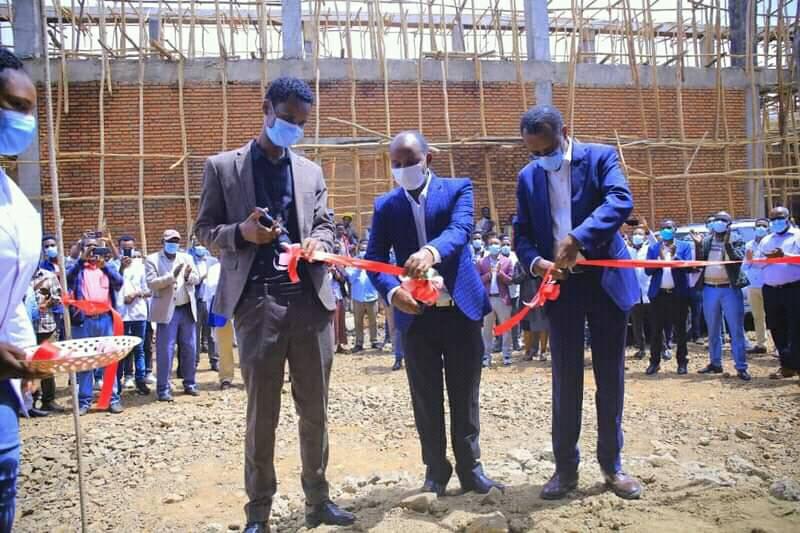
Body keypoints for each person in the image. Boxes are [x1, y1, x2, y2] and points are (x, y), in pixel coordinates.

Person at [194, 76, 354, 531]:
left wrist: (319, 242)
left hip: (310, 303)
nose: (294, 129)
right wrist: (241, 234)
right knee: (262, 414)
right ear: (266, 109)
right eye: (287, 119)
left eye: (302, 123)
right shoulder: (223, 168)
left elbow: (325, 223)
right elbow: (204, 230)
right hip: (258, 304)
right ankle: (258, 513)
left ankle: (318, 500)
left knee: (315, 410)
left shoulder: (310, 172)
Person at [515, 105, 641, 500]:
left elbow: (620, 200)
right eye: (534, 152)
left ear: (565, 132)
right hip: (562, 287)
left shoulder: (600, 158)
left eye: (548, 149)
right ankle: (565, 470)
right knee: (565, 379)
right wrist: (537, 263)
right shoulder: (528, 176)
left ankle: (612, 466)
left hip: (605, 283)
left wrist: (578, 237)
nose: (542, 157)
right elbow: (522, 233)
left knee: (610, 377)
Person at [366, 130, 502, 496]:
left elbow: (460, 230)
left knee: (464, 393)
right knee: (425, 397)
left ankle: (471, 469)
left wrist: (430, 252)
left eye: (410, 161)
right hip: (416, 315)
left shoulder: (458, 189)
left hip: (460, 311)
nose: (403, 169)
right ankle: (436, 472)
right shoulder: (386, 205)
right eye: (396, 164)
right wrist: (392, 293)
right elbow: (374, 259)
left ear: (428, 159)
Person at [0, 47, 56, 529]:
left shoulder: (15, 201)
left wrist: (26, 354)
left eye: (30, 109)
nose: (26, 121)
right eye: (15, 106)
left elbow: (11, 296)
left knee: (4, 471)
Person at [67, 236, 124, 414]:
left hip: (105, 319)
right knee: (85, 361)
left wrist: (104, 266)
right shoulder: (77, 269)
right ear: (83, 250)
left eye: (95, 247)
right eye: (88, 247)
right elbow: (66, 280)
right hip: (83, 321)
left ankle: (111, 399)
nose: (92, 251)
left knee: (109, 360)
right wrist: (81, 261)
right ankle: (84, 401)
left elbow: (119, 283)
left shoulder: (107, 267)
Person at [694, 211, 751, 380]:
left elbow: (738, 259)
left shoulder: (737, 240)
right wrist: (698, 245)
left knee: (736, 330)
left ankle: (741, 367)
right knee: (713, 329)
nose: (718, 223)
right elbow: (699, 263)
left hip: (729, 289)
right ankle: (715, 363)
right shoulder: (706, 241)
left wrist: (727, 243)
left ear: (728, 224)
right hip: (709, 288)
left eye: (722, 220)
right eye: (716, 220)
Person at [146, 229, 200, 401]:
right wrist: (172, 277)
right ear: (163, 242)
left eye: (176, 241)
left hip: (186, 309)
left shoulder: (187, 258)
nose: (173, 244)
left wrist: (188, 276)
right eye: (170, 241)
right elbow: (151, 284)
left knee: (190, 348)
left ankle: (190, 383)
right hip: (167, 311)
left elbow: (197, 278)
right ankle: (163, 388)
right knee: (166, 350)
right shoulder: (152, 259)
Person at [644, 220, 692, 375]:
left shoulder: (684, 246)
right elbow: (647, 271)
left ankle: (682, 362)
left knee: (680, 330)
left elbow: (689, 267)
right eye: (663, 228)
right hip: (658, 295)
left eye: (669, 228)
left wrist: (674, 256)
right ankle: (654, 362)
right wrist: (659, 260)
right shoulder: (653, 248)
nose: (666, 230)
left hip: (678, 295)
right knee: (656, 330)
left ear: (675, 229)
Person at [759, 207, 800, 381]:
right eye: (773, 219)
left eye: (780, 218)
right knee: (776, 327)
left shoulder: (798, 236)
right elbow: (755, 263)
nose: (776, 221)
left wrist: (785, 256)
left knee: (796, 328)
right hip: (771, 290)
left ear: (788, 218)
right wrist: (767, 259)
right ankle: (787, 365)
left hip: (794, 289)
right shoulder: (766, 240)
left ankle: (797, 365)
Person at [117, 236, 151, 395]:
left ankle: (140, 380)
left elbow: (149, 290)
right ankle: (118, 382)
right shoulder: (113, 265)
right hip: (120, 314)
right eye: (124, 248)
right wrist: (121, 267)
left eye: (130, 248)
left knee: (139, 348)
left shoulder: (141, 266)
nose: (127, 251)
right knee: (121, 350)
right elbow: (113, 284)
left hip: (138, 313)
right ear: (119, 248)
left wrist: (136, 294)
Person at [31, 266, 65, 413]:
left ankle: (48, 400)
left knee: (47, 363)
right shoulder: (19, 274)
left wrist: (46, 304)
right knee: (27, 364)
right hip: (26, 328)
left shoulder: (49, 276)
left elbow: (58, 297)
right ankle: (30, 401)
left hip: (47, 327)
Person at [477, 236, 514, 366]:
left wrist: (500, 273)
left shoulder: (507, 261)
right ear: (488, 246)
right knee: (486, 330)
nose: (495, 246)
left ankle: (507, 355)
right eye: (492, 244)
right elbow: (477, 281)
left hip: (502, 299)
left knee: (506, 328)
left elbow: (510, 280)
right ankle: (486, 357)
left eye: (497, 244)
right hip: (487, 299)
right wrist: (488, 275)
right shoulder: (481, 262)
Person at [203, 260, 236, 389]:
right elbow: (209, 295)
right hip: (222, 309)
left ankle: (251, 376)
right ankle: (226, 377)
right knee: (224, 345)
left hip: (244, 307)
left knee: (249, 344)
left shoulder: (246, 264)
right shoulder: (214, 270)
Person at [347, 241, 381, 352]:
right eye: (362, 249)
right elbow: (351, 279)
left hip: (372, 296)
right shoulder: (352, 263)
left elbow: (378, 277)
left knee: (373, 321)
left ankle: (374, 341)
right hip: (358, 298)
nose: (363, 252)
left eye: (365, 249)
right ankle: (359, 343)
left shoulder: (373, 262)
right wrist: (359, 267)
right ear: (358, 250)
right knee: (358, 322)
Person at [743, 218, 770, 355]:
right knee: (757, 316)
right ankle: (761, 344)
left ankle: (780, 346)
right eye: (758, 226)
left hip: (769, 284)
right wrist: (749, 261)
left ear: (768, 228)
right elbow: (745, 266)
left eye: (763, 226)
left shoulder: (772, 244)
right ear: (754, 229)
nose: (760, 228)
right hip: (753, 285)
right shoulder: (749, 245)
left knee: (775, 316)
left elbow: (770, 264)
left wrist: (756, 263)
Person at [191, 241, 220, 371]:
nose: (200, 248)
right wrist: (201, 277)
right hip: (196, 300)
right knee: (195, 333)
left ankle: (214, 360)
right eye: (197, 245)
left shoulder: (213, 262)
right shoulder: (189, 261)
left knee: (212, 333)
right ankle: (194, 361)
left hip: (210, 301)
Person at [627, 225, 651, 360]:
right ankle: (641, 348)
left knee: (655, 322)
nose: (637, 236)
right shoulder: (628, 251)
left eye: (640, 234)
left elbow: (656, 244)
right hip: (634, 292)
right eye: (635, 234)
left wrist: (648, 229)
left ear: (645, 237)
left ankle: (663, 347)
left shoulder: (649, 249)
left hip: (648, 291)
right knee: (637, 324)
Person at [502, 234, 523, 351]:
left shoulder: (515, 257)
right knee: (501, 319)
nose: (506, 246)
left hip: (515, 292)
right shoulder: (497, 258)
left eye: (508, 244)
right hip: (502, 293)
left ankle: (516, 341)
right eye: (503, 244)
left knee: (515, 318)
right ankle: (500, 343)